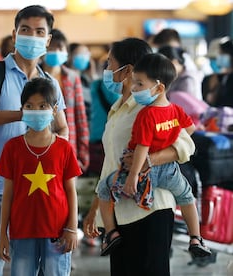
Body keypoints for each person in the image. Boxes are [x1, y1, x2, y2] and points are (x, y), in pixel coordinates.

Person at [0, 5, 68, 275]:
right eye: (26, 30)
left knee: (33, 266)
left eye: (39, 32)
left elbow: (63, 129)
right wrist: (23, 114)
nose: (32, 36)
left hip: (40, 192)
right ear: (15, 34)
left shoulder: (50, 85)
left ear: (48, 39)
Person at [82, 38, 196, 276]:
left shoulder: (151, 106)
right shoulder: (117, 108)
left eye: (110, 62)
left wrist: (147, 161)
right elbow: (110, 162)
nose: (106, 69)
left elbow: (185, 144)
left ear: (129, 70)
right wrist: (95, 210)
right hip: (120, 211)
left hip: (152, 210)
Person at [96, 53, 211, 258]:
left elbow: (142, 148)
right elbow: (191, 128)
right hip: (170, 171)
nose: (134, 89)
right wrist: (169, 137)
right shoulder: (175, 110)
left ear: (159, 88)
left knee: (105, 189)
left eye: (139, 84)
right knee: (186, 197)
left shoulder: (146, 114)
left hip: (142, 171)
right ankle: (196, 237)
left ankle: (111, 234)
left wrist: (132, 177)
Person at [0, 78, 81, 275]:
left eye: (42, 105)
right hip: (22, 230)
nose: (36, 110)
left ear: (54, 110)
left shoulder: (64, 148)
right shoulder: (12, 147)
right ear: (23, 109)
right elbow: (7, 194)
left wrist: (72, 228)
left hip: (57, 231)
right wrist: (3, 234)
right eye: (30, 106)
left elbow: (71, 191)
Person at [41, 28, 89, 172]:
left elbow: (80, 117)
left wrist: (82, 155)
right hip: (40, 144)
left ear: (66, 51)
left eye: (60, 47)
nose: (56, 51)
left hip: (68, 145)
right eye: (52, 47)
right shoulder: (35, 77)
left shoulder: (72, 77)